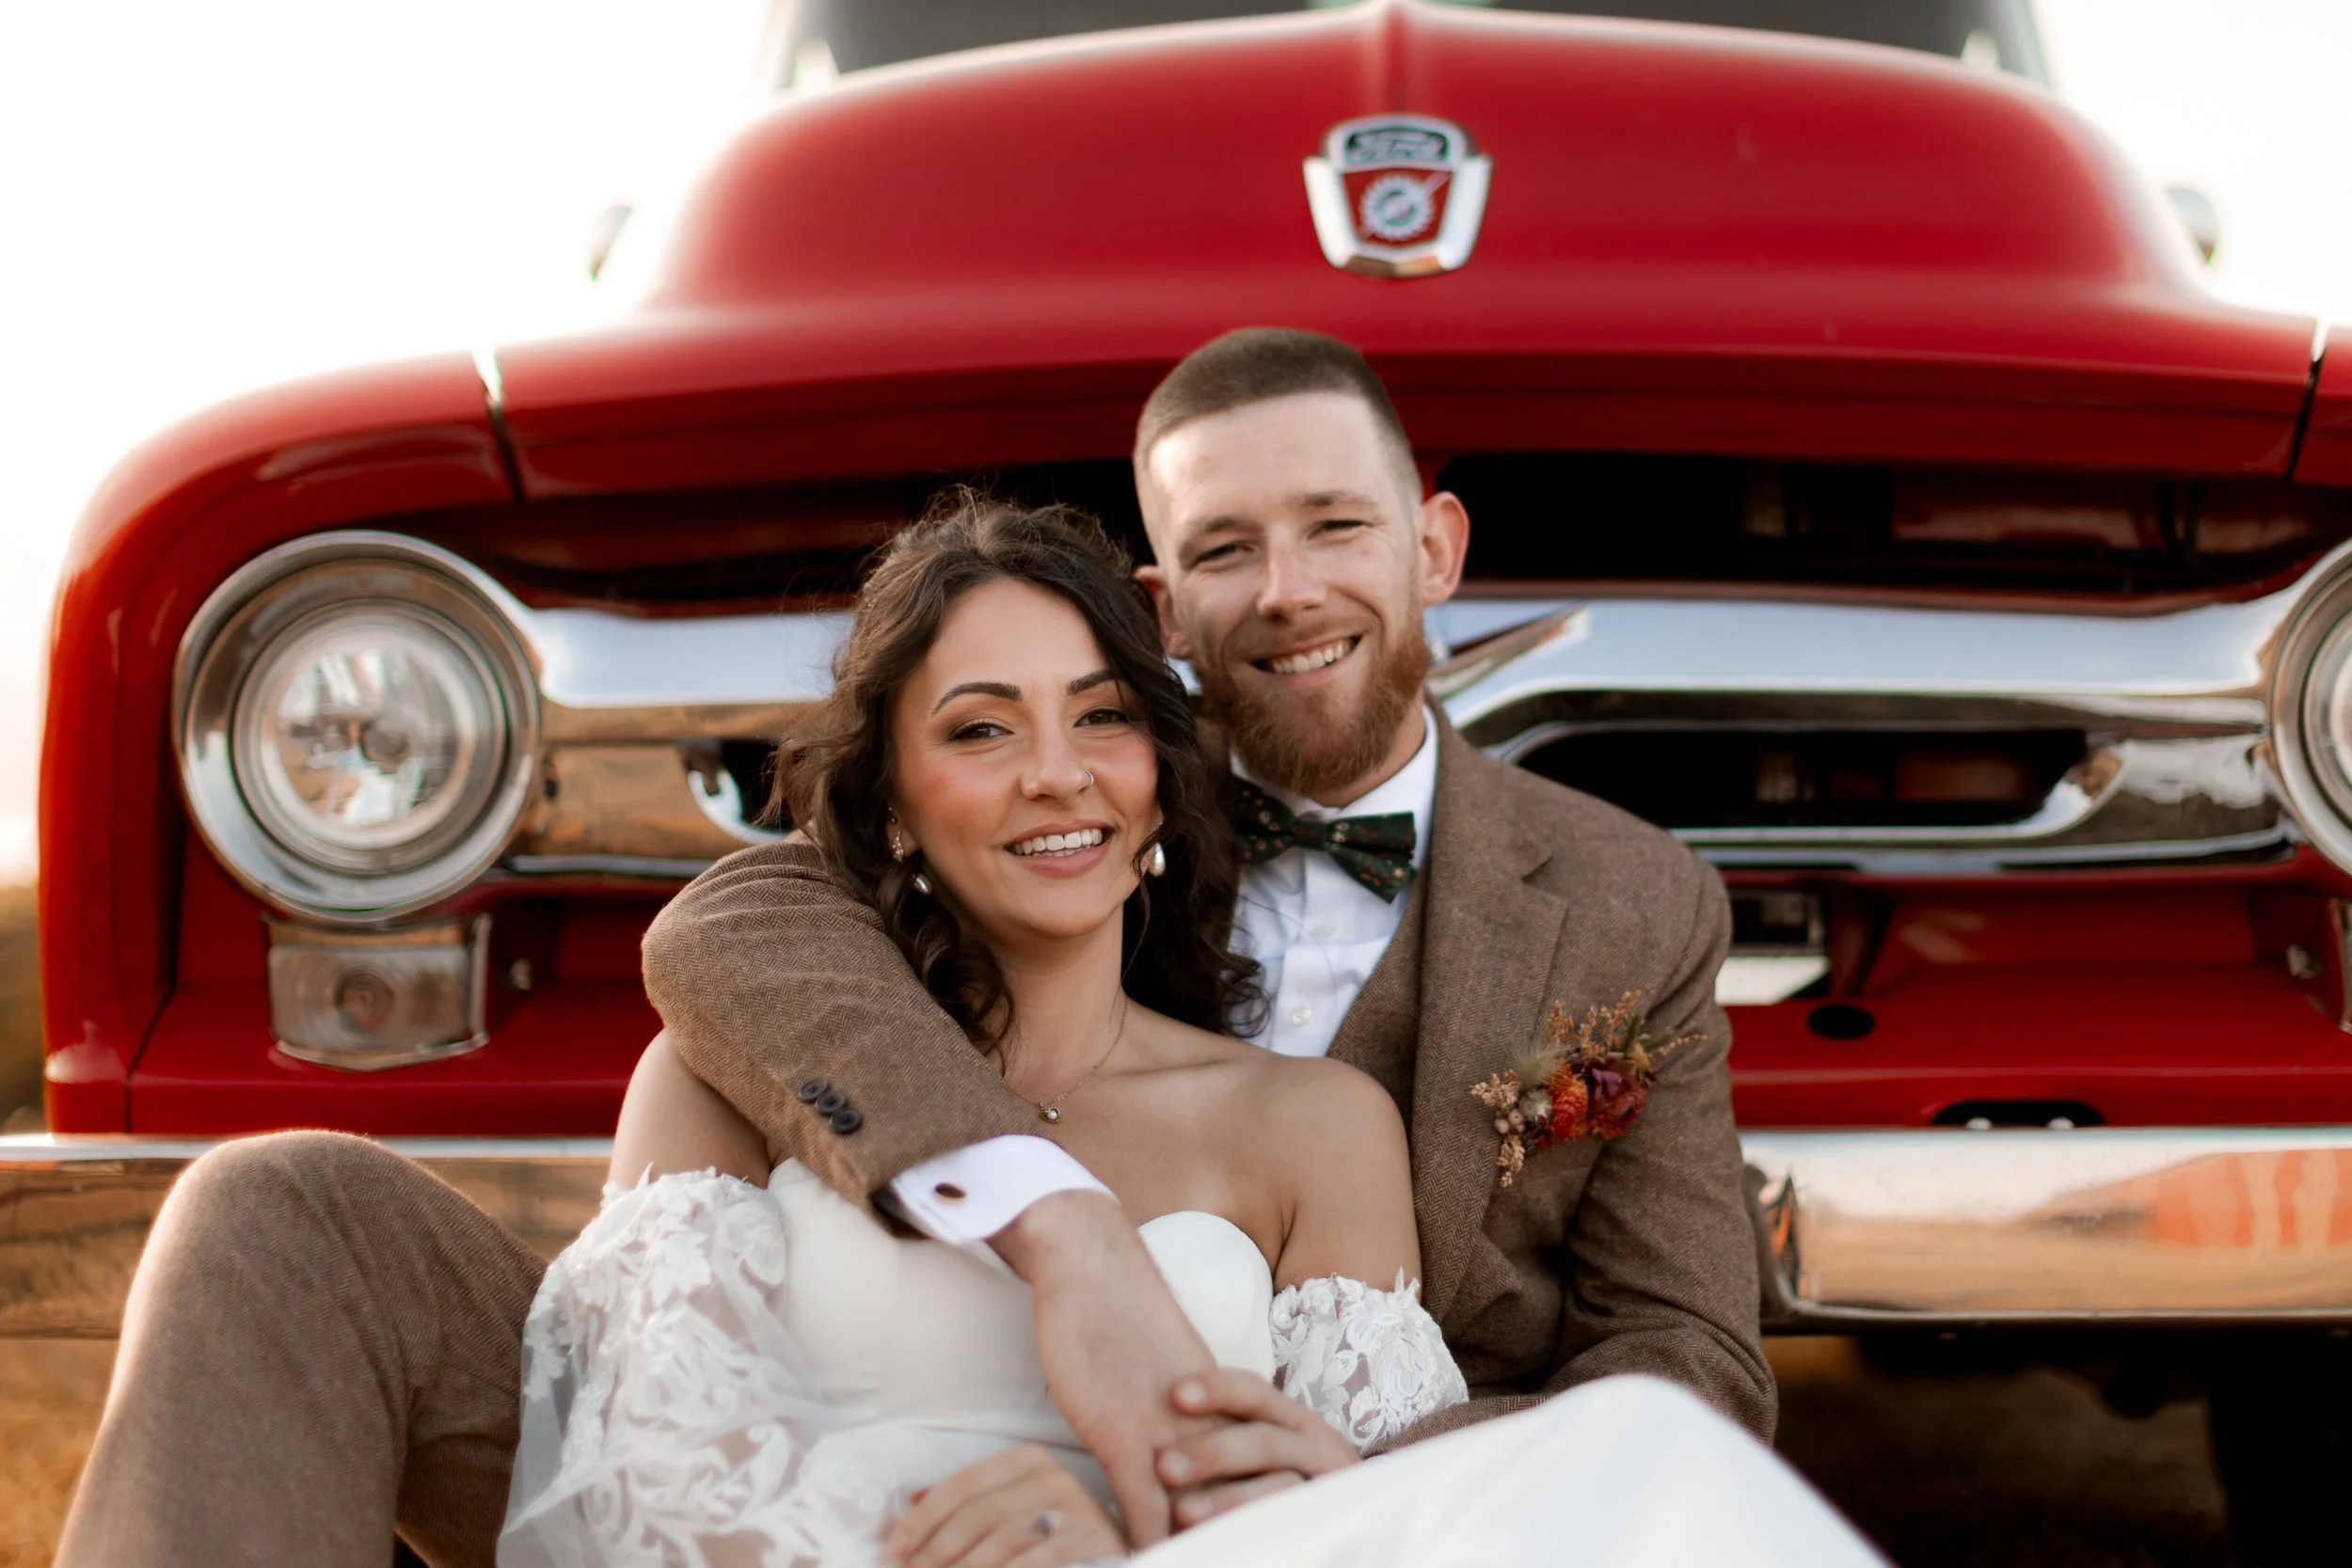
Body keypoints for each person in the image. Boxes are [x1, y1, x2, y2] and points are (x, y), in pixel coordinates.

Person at [497, 497, 1878, 1568]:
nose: (1055, 770)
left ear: (1162, 776)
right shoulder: (716, 1068)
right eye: (980, 728)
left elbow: (1387, 1505)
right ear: (892, 806)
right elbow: (638, 1502)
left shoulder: (1320, 1125)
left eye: (1101, 715)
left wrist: (1160, 1528)